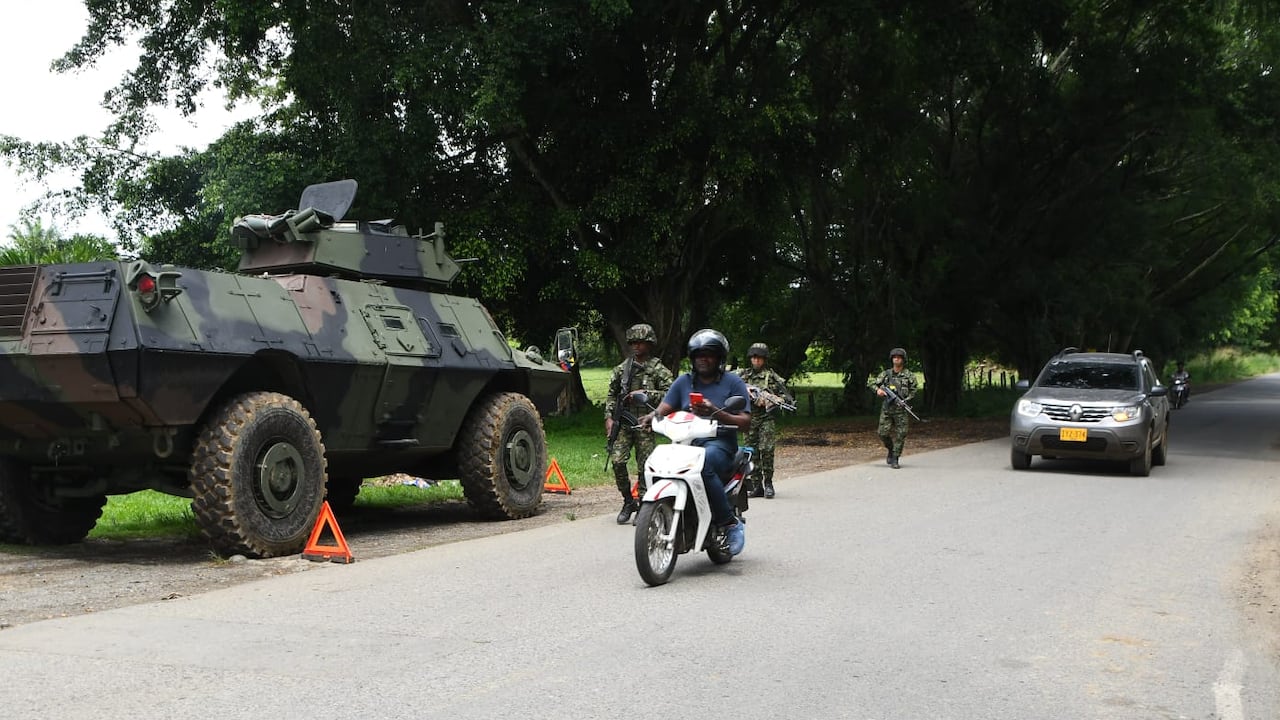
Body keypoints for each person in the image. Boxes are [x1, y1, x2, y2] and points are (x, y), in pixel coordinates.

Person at [644, 329, 750, 555]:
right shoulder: (683, 382)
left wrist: (715, 411)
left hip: (719, 444)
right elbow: (664, 408)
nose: (703, 358)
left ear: (719, 358)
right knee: (659, 463)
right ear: (692, 358)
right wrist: (650, 417)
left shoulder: (733, 383)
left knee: (704, 465)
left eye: (709, 354)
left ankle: (729, 523)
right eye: (698, 354)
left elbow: (745, 421)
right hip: (685, 444)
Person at [604, 323, 674, 524]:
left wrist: (647, 395)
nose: (636, 346)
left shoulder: (658, 369)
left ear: (649, 344)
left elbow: (672, 394)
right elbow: (611, 395)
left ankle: (644, 504)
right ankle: (628, 501)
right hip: (624, 422)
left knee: (645, 466)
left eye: (640, 343)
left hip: (645, 423)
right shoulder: (622, 369)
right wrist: (609, 418)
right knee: (618, 461)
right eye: (633, 343)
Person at [737, 342, 792, 499]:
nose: (756, 361)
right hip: (748, 418)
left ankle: (768, 483)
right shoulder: (742, 376)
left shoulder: (772, 377)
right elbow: (729, 386)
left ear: (764, 359)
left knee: (766, 450)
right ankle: (756, 485)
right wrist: (745, 392)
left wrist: (773, 399)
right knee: (750, 452)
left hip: (766, 418)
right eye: (754, 358)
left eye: (760, 358)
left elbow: (786, 397)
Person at [871, 347, 917, 469]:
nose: (896, 359)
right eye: (894, 357)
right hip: (887, 408)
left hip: (901, 409)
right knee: (882, 433)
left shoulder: (909, 376)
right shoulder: (886, 374)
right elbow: (872, 383)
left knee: (902, 433)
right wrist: (878, 390)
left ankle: (895, 458)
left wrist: (905, 401)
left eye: (899, 357)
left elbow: (913, 391)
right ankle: (891, 449)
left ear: (903, 359)